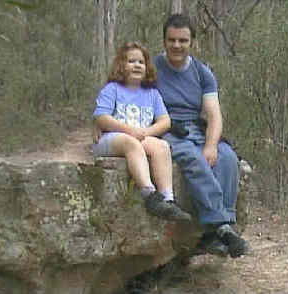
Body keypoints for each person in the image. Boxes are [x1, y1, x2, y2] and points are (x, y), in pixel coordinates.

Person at [153, 14, 252, 258]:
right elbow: (126, 94)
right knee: (190, 157)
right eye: (172, 40)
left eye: (183, 40)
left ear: (192, 43)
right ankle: (222, 227)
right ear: (164, 41)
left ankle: (213, 234)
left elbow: (214, 115)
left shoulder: (202, 73)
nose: (177, 45)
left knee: (227, 157)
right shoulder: (152, 68)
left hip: (195, 128)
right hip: (164, 128)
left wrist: (211, 145)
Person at [92, 41, 191, 222]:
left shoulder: (152, 94)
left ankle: (167, 200)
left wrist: (147, 132)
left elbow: (165, 121)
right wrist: (129, 130)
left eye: (141, 62)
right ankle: (149, 194)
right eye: (131, 61)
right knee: (131, 143)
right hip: (111, 139)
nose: (137, 65)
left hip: (139, 138)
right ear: (121, 65)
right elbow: (101, 117)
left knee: (161, 146)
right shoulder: (112, 89)